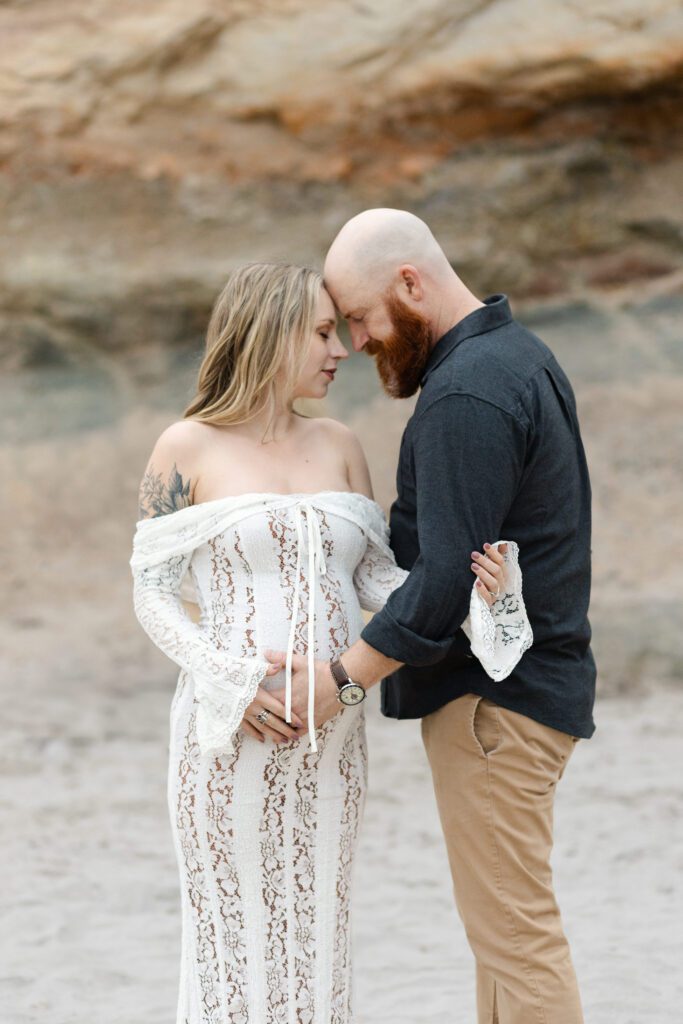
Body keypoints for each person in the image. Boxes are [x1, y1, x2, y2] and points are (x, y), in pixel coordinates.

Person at [129, 260, 532, 1024]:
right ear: (268, 331)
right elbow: (152, 593)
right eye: (319, 332)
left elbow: (379, 584)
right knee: (229, 941)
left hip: (331, 735)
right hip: (226, 736)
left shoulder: (342, 443)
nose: (340, 348)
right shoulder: (185, 446)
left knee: (317, 933)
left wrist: (484, 606)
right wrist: (233, 680)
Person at [278, 209, 595, 1024]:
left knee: (516, 942)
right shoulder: (516, 358)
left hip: (495, 708)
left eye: (360, 316)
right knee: (502, 942)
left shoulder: (466, 393)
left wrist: (339, 681)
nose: (355, 341)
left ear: (409, 284)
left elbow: (444, 581)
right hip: (522, 698)